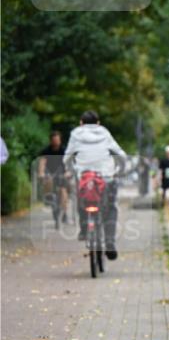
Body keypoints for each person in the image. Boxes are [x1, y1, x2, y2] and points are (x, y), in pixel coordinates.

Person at [63, 110, 128, 260]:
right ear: (98, 123)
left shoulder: (75, 133)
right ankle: (110, 243)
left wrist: (73, 171)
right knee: (110, 207)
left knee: (80, 200)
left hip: (84, 177)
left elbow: (67, 158)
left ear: (81, 122)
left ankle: (85, 230)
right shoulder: (104, 132)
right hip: (105, 177)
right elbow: (121, 155)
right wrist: (120, 170)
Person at [38, 129, 70, 227]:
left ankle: (64, 212)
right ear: (51, 141)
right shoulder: (46, 151)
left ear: (60, 140)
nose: (56, 142)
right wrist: (41, 173)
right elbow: (42, 162)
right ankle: (48, 197)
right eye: (54, 140)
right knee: (48, 182)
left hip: (62, 174)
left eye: (57, 140)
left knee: (63, 191)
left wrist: (68, 172)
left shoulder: (65, 150)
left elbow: (68, 162)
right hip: (50, 174)